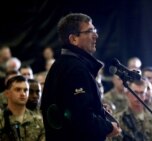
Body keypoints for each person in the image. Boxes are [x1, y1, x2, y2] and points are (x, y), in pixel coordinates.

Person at [40, 13, 121, 141]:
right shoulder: (75, 69)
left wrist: (99, 109)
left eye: (95, 30)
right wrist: (108, 127)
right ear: (74, 39)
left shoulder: (64, 64)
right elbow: (80, 116)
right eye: (90, 31)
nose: (96, 35)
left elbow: (72, 107)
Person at [0, 75, 45, 140]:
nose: (23, 94)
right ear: (7, 93)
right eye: (18, 90)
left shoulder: (38, 121)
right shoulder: (1, 119)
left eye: (26, 90)